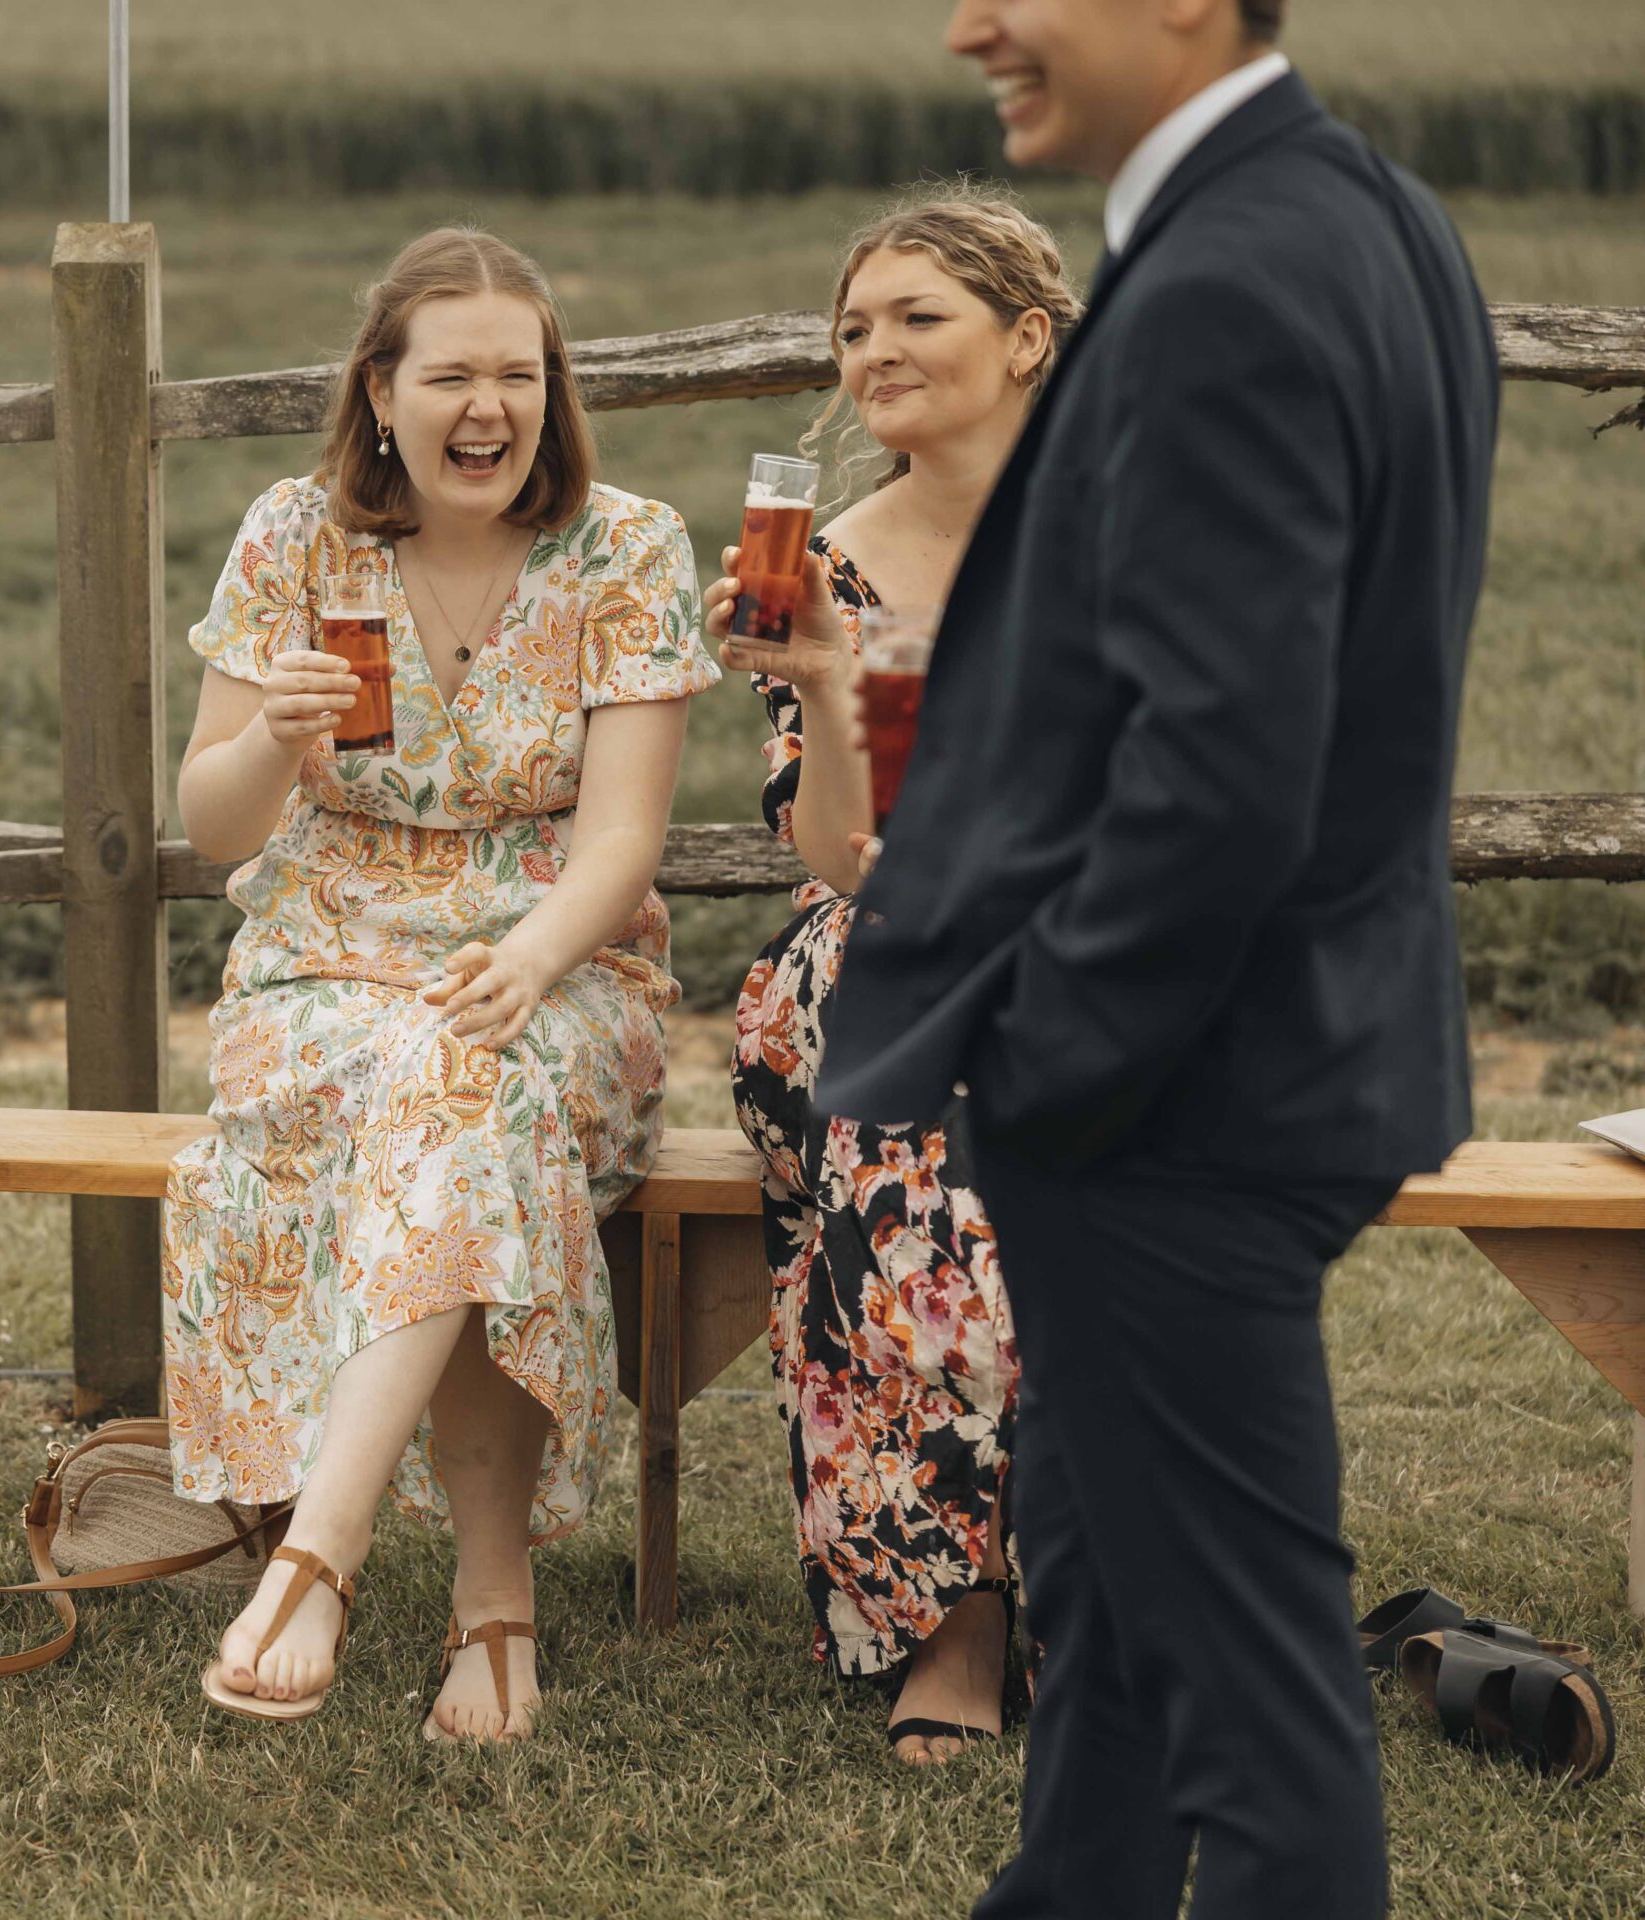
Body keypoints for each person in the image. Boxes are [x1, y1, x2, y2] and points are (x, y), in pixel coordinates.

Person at [819, 1, 1500, 1912]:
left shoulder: (1227, 276)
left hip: (1186, 1096)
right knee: (1107, 1604)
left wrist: (1051, 1052)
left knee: (1266, 1714)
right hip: (1295, 1042)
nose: (971, 23)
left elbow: (1226, 762)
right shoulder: (1369, 212)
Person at [163, 226, 716, 1743]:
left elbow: (620, 841)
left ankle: (315, 1562)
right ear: (382, 392)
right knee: (452, 1103)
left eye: (519, 376)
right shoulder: (295, 539)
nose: (491, 407)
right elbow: (211, 829)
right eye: (453, 375)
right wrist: (275, 738)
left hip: (559, 959)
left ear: (554, 394)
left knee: (467, 1081)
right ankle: (490, 1612)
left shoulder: (627, 549)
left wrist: (529, 960)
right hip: (323, 962)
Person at [702, 191, 1080, 1765]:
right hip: (885, 959)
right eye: (855, 327)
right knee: (917, 1160)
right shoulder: (829, 569)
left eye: (917, 316)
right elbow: (846, 861)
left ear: (1028, 339)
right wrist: (831, 683)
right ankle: (959, 1617)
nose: (875, 350)